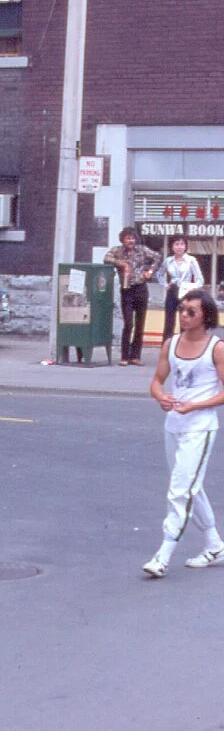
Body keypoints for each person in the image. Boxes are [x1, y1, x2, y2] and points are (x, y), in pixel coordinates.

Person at [142, 289, 224, 578]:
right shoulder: (171, 344)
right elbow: (156, 381)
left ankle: (162, 554)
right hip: (174, 425)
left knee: (180, 489)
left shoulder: (216, 347)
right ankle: (215, 545)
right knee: (191, 485)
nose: (184, 315)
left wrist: (195, 405)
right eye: (182, 309)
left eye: (191, 311)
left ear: (206, 316)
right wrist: (161, 397)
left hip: (200, 427)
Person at [104, 227, 161, 366]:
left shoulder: (141, 250)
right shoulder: (117, 251)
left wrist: (151, 271)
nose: (131, 241)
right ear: (123, 239)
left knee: (140, 324)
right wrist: (121, 263)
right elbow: (106, 258)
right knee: (128, 323)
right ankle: (124, 356)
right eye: (128, 238)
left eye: (133, 238)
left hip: (141, 288)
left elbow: (158, 257)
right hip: (126, 290)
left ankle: (136, 356)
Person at [157, 236, 204, 343]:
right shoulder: (168, 261)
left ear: (185, 246)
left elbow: (200, 280)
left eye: (182, 244)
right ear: (172, 247)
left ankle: (184, 345)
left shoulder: (191, 260)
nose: (179, 247)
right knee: (169, 320)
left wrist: (191, 287)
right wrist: (165, 284)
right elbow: (159, 274)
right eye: (176, 244)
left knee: (185, 318)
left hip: (186, 291)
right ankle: (167, 346)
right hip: (172, 290)